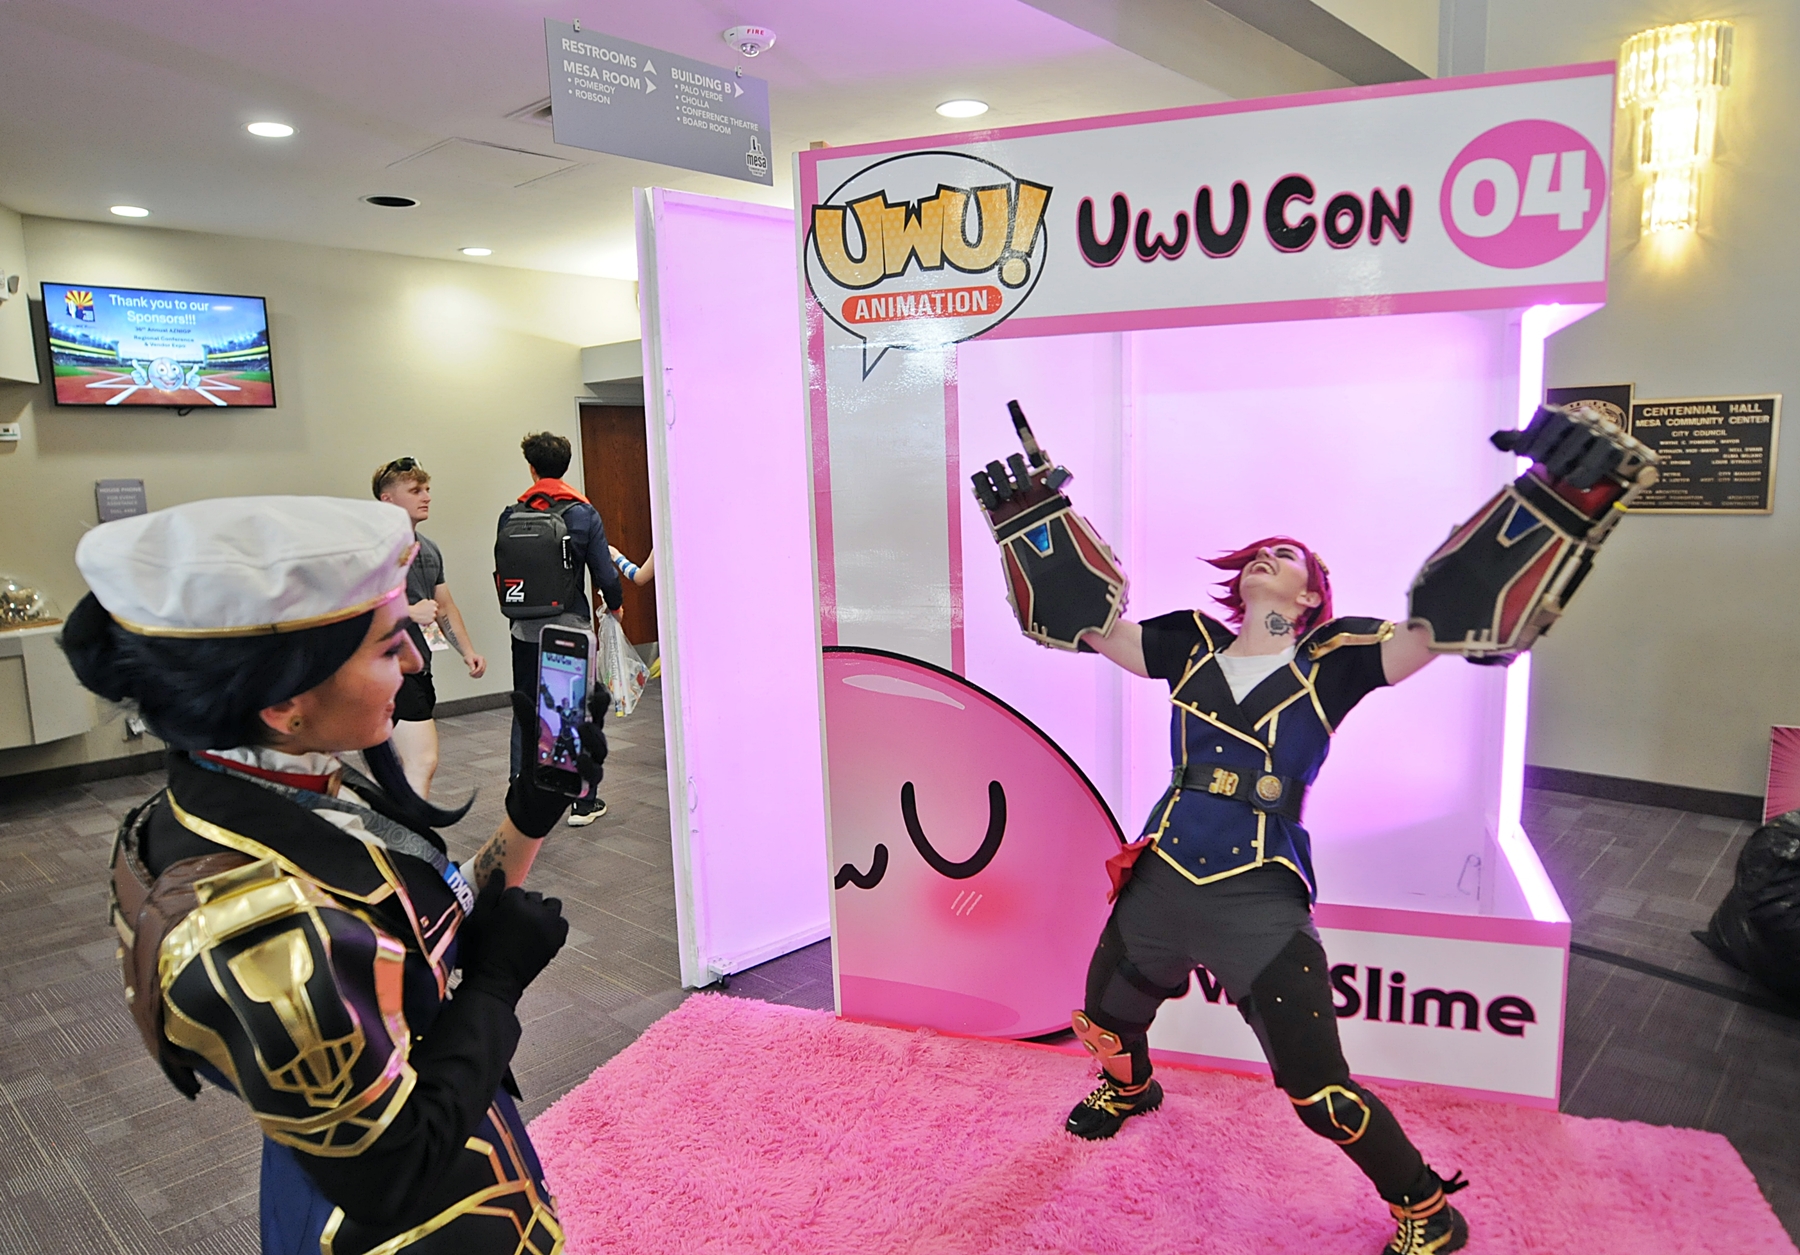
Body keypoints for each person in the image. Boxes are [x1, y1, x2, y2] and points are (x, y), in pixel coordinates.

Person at [66, 495, 606, 1255]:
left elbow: (415, 922)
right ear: (287, 699)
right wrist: (493, 986)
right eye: (391, 647)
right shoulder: (262, 930)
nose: (418, 662)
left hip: (455, 1148)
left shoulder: (272, 781)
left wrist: (530, 812)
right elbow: (390, 1175)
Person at [1063, 538, 1474, 1251]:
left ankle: (1428, 1207)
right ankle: (1131, 1089)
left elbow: (1426, 638)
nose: (1264, 558)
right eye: (1257, 553)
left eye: (1285, 555)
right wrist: (1045, 538)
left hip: (1258, 897)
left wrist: (1503, 556)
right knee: (1106, 1018)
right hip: (1161, 874)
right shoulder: (1190, 644)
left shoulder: (1332, 660)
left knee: (1320, 1092)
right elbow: (1097, 628)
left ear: (1308, 595)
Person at [501, 432, 623, 826]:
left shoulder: (512, 513)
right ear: (566, 466)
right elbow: (604, 573)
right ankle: (581, 801)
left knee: (527, 710)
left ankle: (520, 791)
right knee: (570, 711)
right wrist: (615, 606)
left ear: (532, 468)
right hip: (570, 627)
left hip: (524, 630)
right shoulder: (583, 514)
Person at [373, 456, 487, 799]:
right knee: (422, 761)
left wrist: (468, 651)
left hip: (419, 670)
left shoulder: (428, 550)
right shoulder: (374, 551)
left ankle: (396, 841)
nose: (426, 496)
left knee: (401, 765)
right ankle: (413, 845)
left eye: (426, 489)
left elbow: (444, 606)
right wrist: (408, 611)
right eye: (415, 490)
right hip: (388, 670)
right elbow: (355, 614)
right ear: (388, 500)